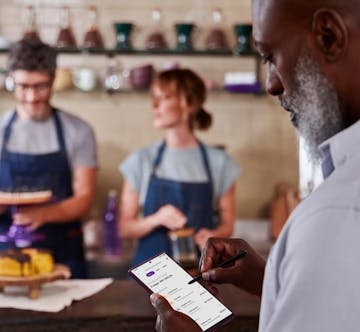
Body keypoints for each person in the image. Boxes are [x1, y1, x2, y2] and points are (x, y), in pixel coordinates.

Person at [150, 0, 360, 331]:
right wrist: (273, 278)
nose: (271, 84)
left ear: (329, 37)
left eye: (271, 56)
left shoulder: (336, 214)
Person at [119, 68, 239, 267]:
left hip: (199, 277)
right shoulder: (141, 160)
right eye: (153, 98)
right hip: (149, 280)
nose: (154, 105)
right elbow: (125, 228)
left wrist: (212, 236)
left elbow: (228, 226)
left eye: (164, 98)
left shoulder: (221, 163)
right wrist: (156, 219)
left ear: (189, 104)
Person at [0, 38, 97, 278]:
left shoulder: (79, 131)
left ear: (53, 79)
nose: (32, 97)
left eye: (40, 86)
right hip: (6, 256)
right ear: (10, 80)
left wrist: (42, 214)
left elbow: (84, 199)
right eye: (23, 86)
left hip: (63, 252)